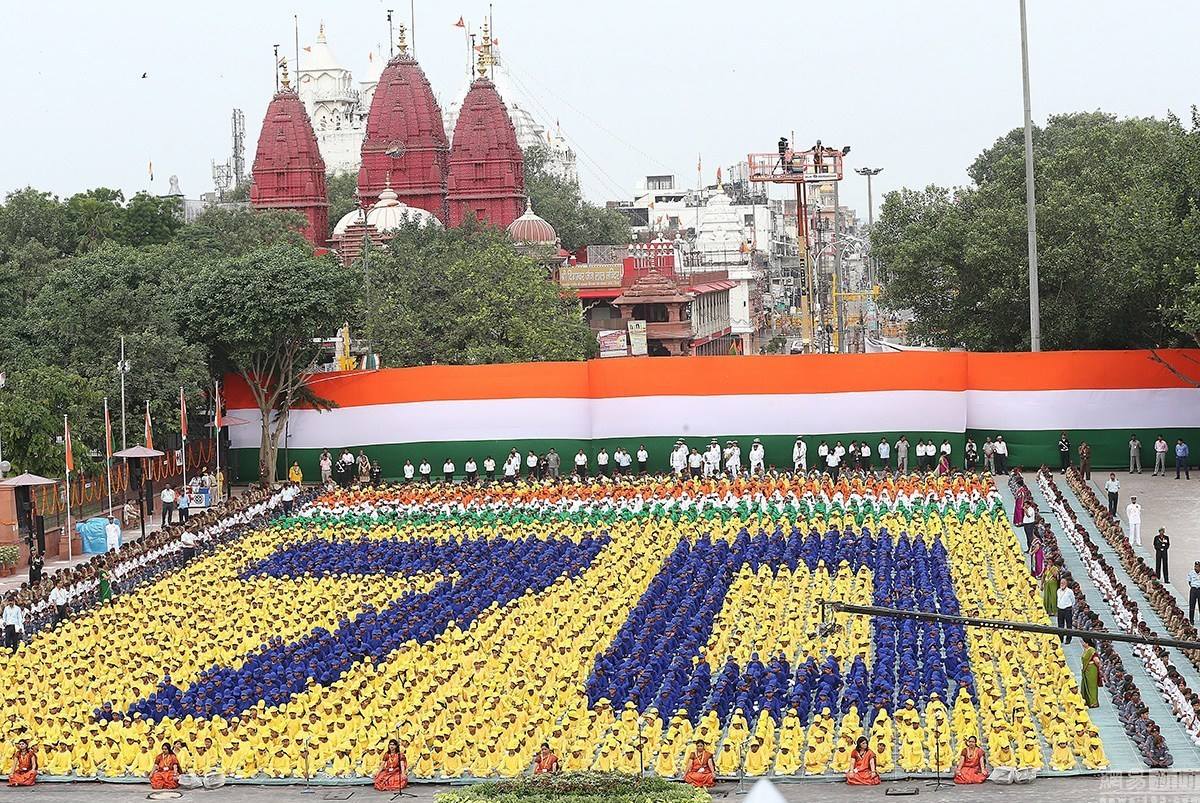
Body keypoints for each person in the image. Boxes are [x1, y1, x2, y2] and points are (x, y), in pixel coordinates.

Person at [1080, 639, 1101, 708]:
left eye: (1083, 642)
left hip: (1091, 670)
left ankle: (1093, 702)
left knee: (1092, 686)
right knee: (1087, 685)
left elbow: (1097, 661)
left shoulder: (1091, 650)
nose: (1082, 644)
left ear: (1087, 643)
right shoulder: (1086, 650)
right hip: (1086, 670)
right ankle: (1087, 701)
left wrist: (1098, 668)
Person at [1057, 574, 1076, 643]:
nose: (1062, 584)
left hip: (1067, 609)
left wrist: (1071, 607)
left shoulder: (1069, 591)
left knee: (1068, 625)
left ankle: (1068, 639)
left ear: (1066, 584)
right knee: (1060, 625)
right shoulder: (1058, 591)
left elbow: (1073, 600)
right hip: (1060, 609)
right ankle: (1060, 638)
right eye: (1061, 583)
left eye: (1063, 583)